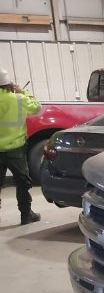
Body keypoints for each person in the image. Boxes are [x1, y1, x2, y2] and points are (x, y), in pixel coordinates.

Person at [0, 68, 42, 225]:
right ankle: (26, 215)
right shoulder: (19, 98)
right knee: (22, 183)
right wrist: (23, 92)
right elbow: (37, 107)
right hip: (15, 149)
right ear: (8, 83)